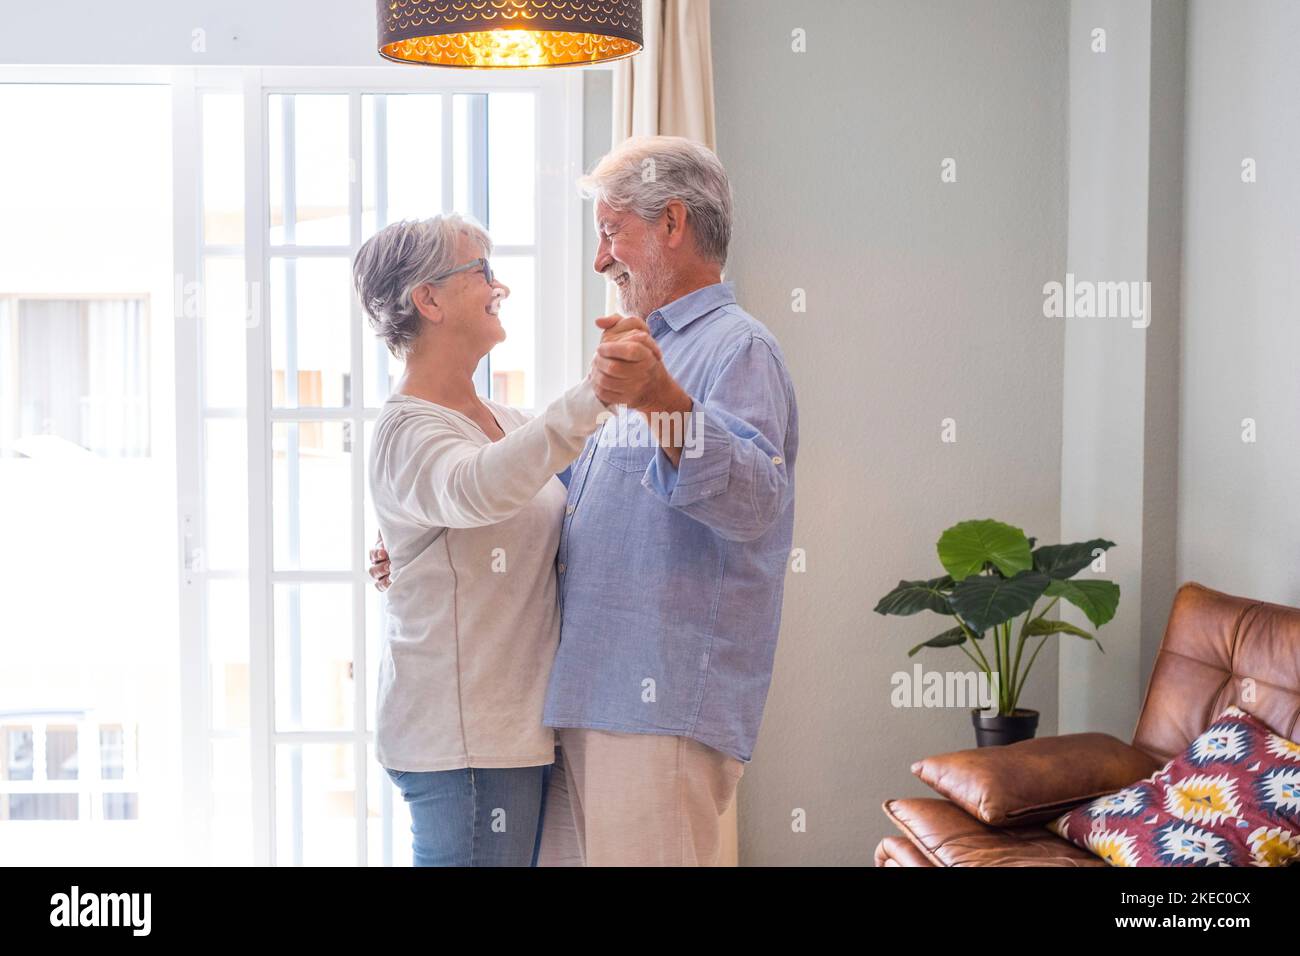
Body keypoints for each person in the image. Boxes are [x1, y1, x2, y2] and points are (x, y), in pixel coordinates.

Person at [373, 137, 799, 866]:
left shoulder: (735, 348)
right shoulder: (638, 353)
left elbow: (756, 501)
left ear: (671, 224)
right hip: (579, 705)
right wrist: (425, 543)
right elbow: (551, 498)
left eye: (610, 231)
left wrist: (660, 400)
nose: (600, 259)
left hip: (652, 710)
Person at [357, 213, 663, 866]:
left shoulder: (502, 420)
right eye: (483, 273)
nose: (502, 288)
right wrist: (595, 393)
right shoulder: (405, 428)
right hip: (464, 744)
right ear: (428, 299)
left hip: (511, 735)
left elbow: (584, 486)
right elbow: (478, 488)